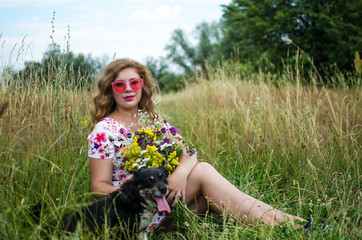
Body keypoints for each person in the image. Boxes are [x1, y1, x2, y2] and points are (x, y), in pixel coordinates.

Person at [87, 58, 307, 232]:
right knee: (203, 172)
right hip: (135, 210)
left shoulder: (153, 121)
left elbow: (190, 151)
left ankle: (288, 223)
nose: (128, 89)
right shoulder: (104, 131)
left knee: (214, 193)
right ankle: (283, 227)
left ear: (142, 86)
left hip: (167, 198)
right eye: (120, 84)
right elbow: (99, 187)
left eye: (134, 82)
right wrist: (133, 190)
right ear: (110, 89)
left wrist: (180, 174)